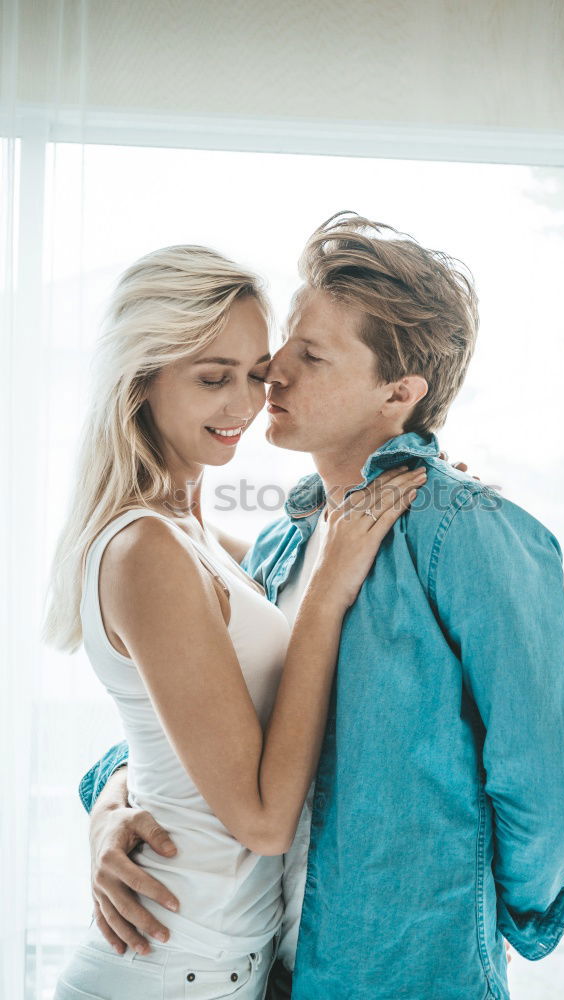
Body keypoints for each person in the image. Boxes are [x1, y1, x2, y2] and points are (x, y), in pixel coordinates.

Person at [75, 213, 564, 1000]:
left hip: (400, 979)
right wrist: (109, 804)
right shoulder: (280, 546)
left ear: (399, 392)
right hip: (266, 975)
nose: (272, 373)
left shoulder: (467, 533)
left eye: (310, 354)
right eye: (283, 344)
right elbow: (211, 716)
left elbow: (554, 793)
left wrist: (465, 920)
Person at [44, 242, 426, 1000]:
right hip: (164, 972)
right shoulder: (144, 549)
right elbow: (261, 822)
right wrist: (324, 597)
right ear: (140, 380)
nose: (245, 406)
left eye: (255, 375)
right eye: (213, 379)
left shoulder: (194, 535)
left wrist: (112, 794)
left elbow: (178, 727)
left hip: (216, 969)